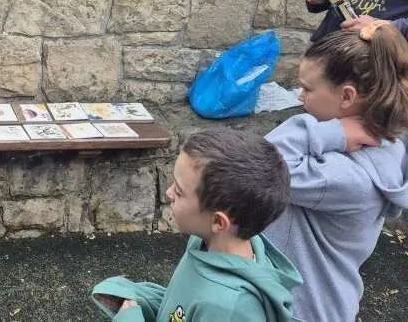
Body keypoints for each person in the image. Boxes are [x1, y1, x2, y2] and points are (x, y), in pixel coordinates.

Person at [263, 22, 408, 322]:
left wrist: (331, 133)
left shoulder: (346, 177)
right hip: (316, 302)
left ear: (347, 97)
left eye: (308, 88)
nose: (300, 96)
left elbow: (262, 164)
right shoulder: (388, 139)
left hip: (299, 309)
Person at [90, 129, 302, 322]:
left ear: (218, 222)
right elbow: (181, 307)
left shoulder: (228, 308)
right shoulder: (204, 243)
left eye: (179, 191)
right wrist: (142, 298)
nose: (168, 193)